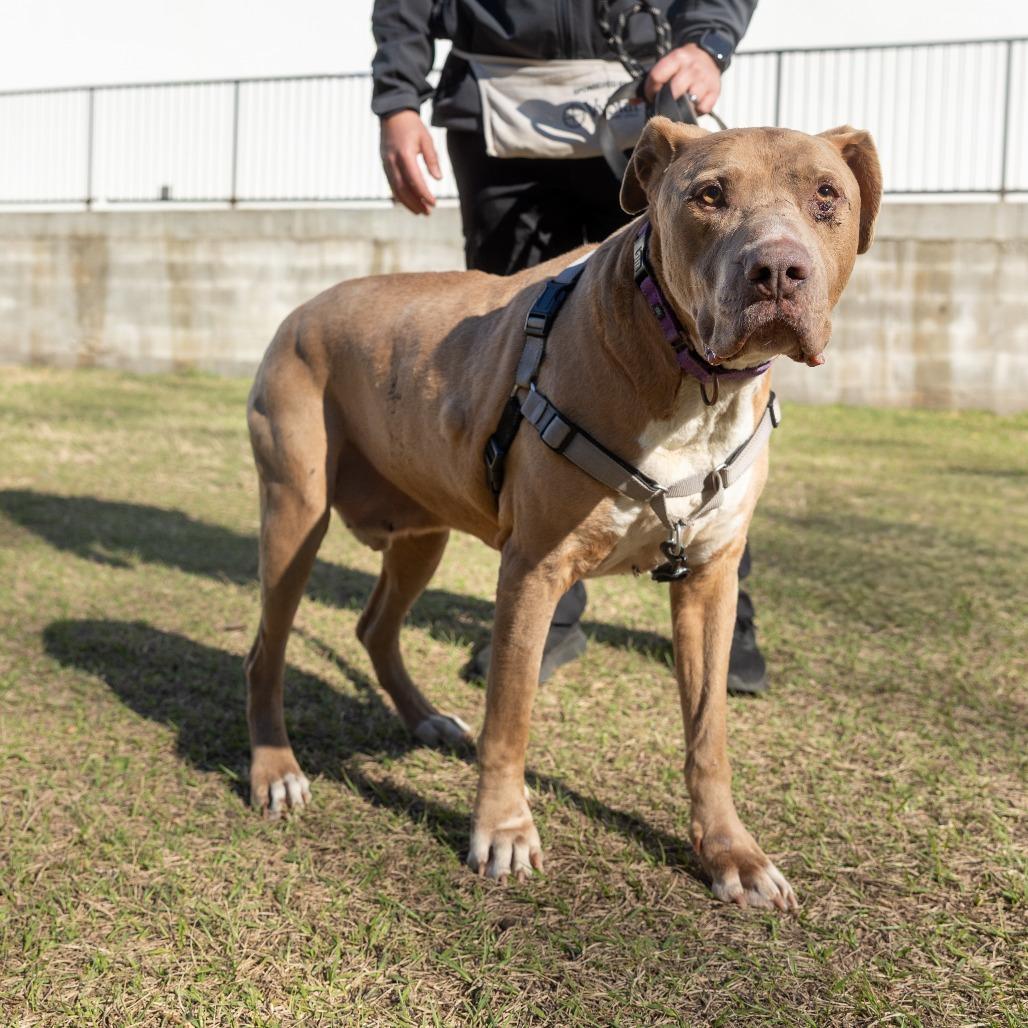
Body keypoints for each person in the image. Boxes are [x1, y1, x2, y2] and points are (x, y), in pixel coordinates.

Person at [370, 0, 768, 694]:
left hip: (645, 95)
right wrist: (397, 99)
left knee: (704, 357)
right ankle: (551, 609)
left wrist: (710, 43)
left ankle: (723, 608)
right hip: (499, 114)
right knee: (516, 368)